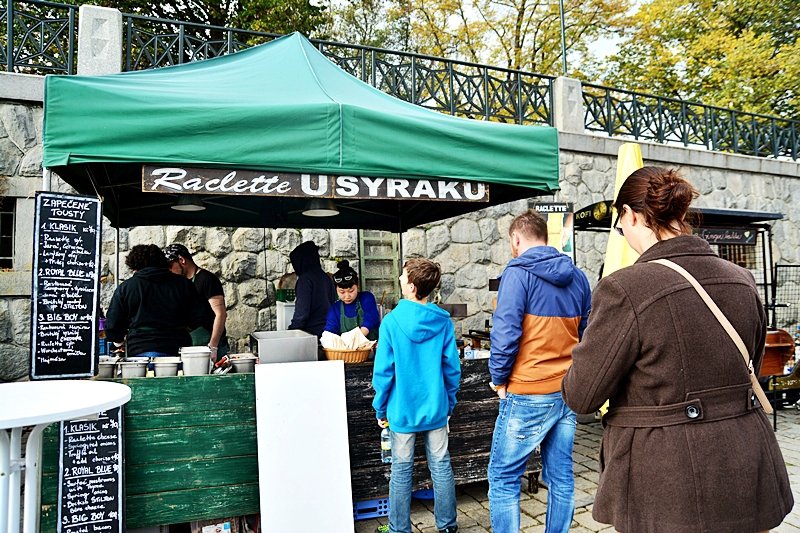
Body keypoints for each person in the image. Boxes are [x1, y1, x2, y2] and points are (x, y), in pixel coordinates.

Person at [561, 166, 793, 532]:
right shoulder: (742, 279)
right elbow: (749, 366)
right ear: (681, 214)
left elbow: (582, 395)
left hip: (667, 479)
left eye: (621, 225)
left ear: (629, 215)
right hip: (750, 465)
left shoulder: (624, 288)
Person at [487, 209, 591, 533]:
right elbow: (587, 335)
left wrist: (498, 378)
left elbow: (505, 334)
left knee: (503, 478)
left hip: (528, 392)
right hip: (566, 392)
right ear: (546, 238)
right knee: (561, 477)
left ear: (516, 239)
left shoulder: (517, 274)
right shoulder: (579, 277)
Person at [372, 258, 461, 533]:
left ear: (411, 287)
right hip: (436, 408)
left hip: (401, 410)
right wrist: (450, 401)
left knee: (401, 470)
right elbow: (452, 368)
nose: (399, 279)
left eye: (402, 276)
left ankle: (399, 529)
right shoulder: (443, 322)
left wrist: (379, 408)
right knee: (441, 466)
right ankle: (447, 526)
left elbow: (384, 372)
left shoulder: (391, 322)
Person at [105, 244, 207, 358]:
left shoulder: (126, 288)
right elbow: (200, 318)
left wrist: (119, 341)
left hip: (139, 352)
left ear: (134, 266)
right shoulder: (183, 284)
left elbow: (112, 326)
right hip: (176, 351)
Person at [164, 243, 230, 360]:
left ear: (181, 260)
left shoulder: (207, 280)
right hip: (189, 345)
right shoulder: (179, 284)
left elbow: (220, 314)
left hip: (210, 344)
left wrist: (213, 347)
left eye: (170, 265)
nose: (168, 270)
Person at [288, 240, 336, 338]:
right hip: (328, 332)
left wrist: (291, 333)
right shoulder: (326, 277)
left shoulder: (305, 280)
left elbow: (301, 314)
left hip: (310, 334)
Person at [324, 260, 380, 341]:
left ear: (357, 286)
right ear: (336, 290)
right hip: (346, 352)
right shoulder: (335, 309)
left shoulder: (366, 298)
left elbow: (371, 319)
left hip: (371, 351)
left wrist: (356, 340)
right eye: (342, 292)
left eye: (351, 291)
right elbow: (330, 332)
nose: (347, 296)